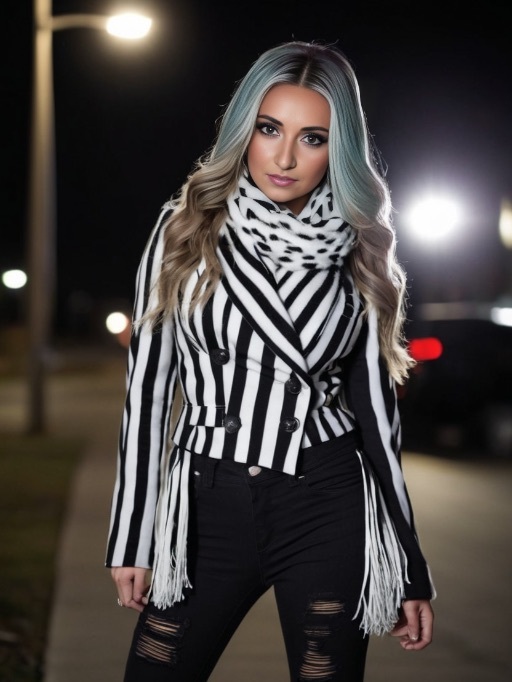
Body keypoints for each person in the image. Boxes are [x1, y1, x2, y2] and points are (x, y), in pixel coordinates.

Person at [106, 40, 435, 682]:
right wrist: (133, 535)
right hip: (206, 508)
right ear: (244, 131)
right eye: (269, 129)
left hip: (328, 505)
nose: (284, 158)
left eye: (312, 138)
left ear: (338, 151)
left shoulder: (361, 245)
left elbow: (377, 418)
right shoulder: (186, 228)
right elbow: (147, 392)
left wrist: (407, 562)